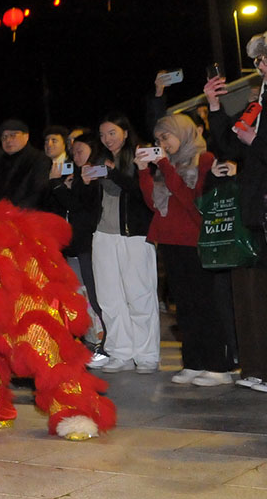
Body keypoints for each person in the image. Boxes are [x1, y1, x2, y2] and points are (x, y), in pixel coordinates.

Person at [139, 114, 235, 385]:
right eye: (158, 139)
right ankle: (194, 362)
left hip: (196, 241)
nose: (162, 143)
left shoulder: (202, 160)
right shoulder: (167, 164)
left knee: (206, 304)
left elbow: (193, 202)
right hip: (170, 242)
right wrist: (144, 170)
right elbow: (154, 203)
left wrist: (166, 168)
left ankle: (219, 366)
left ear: (183, 133)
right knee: (184, 307)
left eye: (166, 137)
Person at [204, 33, 267, 392]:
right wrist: (214, 106)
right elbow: (229, 144)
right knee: (251, 291)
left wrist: (255, 141)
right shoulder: (259, 100)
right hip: (255, 207)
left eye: (264, 59)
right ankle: (257, 367)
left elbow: (251, 144)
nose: (260, 66)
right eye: (257, 61)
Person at [87, 112, 157, 373]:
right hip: (103, 235)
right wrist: (85, 182)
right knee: (109, 298)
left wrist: (113, 173)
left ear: (126, 132)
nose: (107, 139)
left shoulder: (139, 155)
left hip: (134, 235)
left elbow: (142, 193)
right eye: (103, 134)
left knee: (139, 297)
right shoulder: (99, 160)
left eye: (112, 133)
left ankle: (147, 355)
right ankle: (120, 352)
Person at [49, 136, 108, 364]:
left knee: (93, 295)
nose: (76, 156)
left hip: (87, 243)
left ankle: (101, 344)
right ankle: (89, 342)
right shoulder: (77, 175)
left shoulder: (93, 175)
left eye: (80, 150)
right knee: (79, 295)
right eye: (73, 152)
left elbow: (78, 204)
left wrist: (57, 184)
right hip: (73, 244)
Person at [0, 119, 53, 208]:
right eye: (4, 137)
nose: (8, 140)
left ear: (26, 136)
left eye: (13, 135)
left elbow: (39, 192)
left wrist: (15, 211)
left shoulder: (39, 159)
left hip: (27, 214)